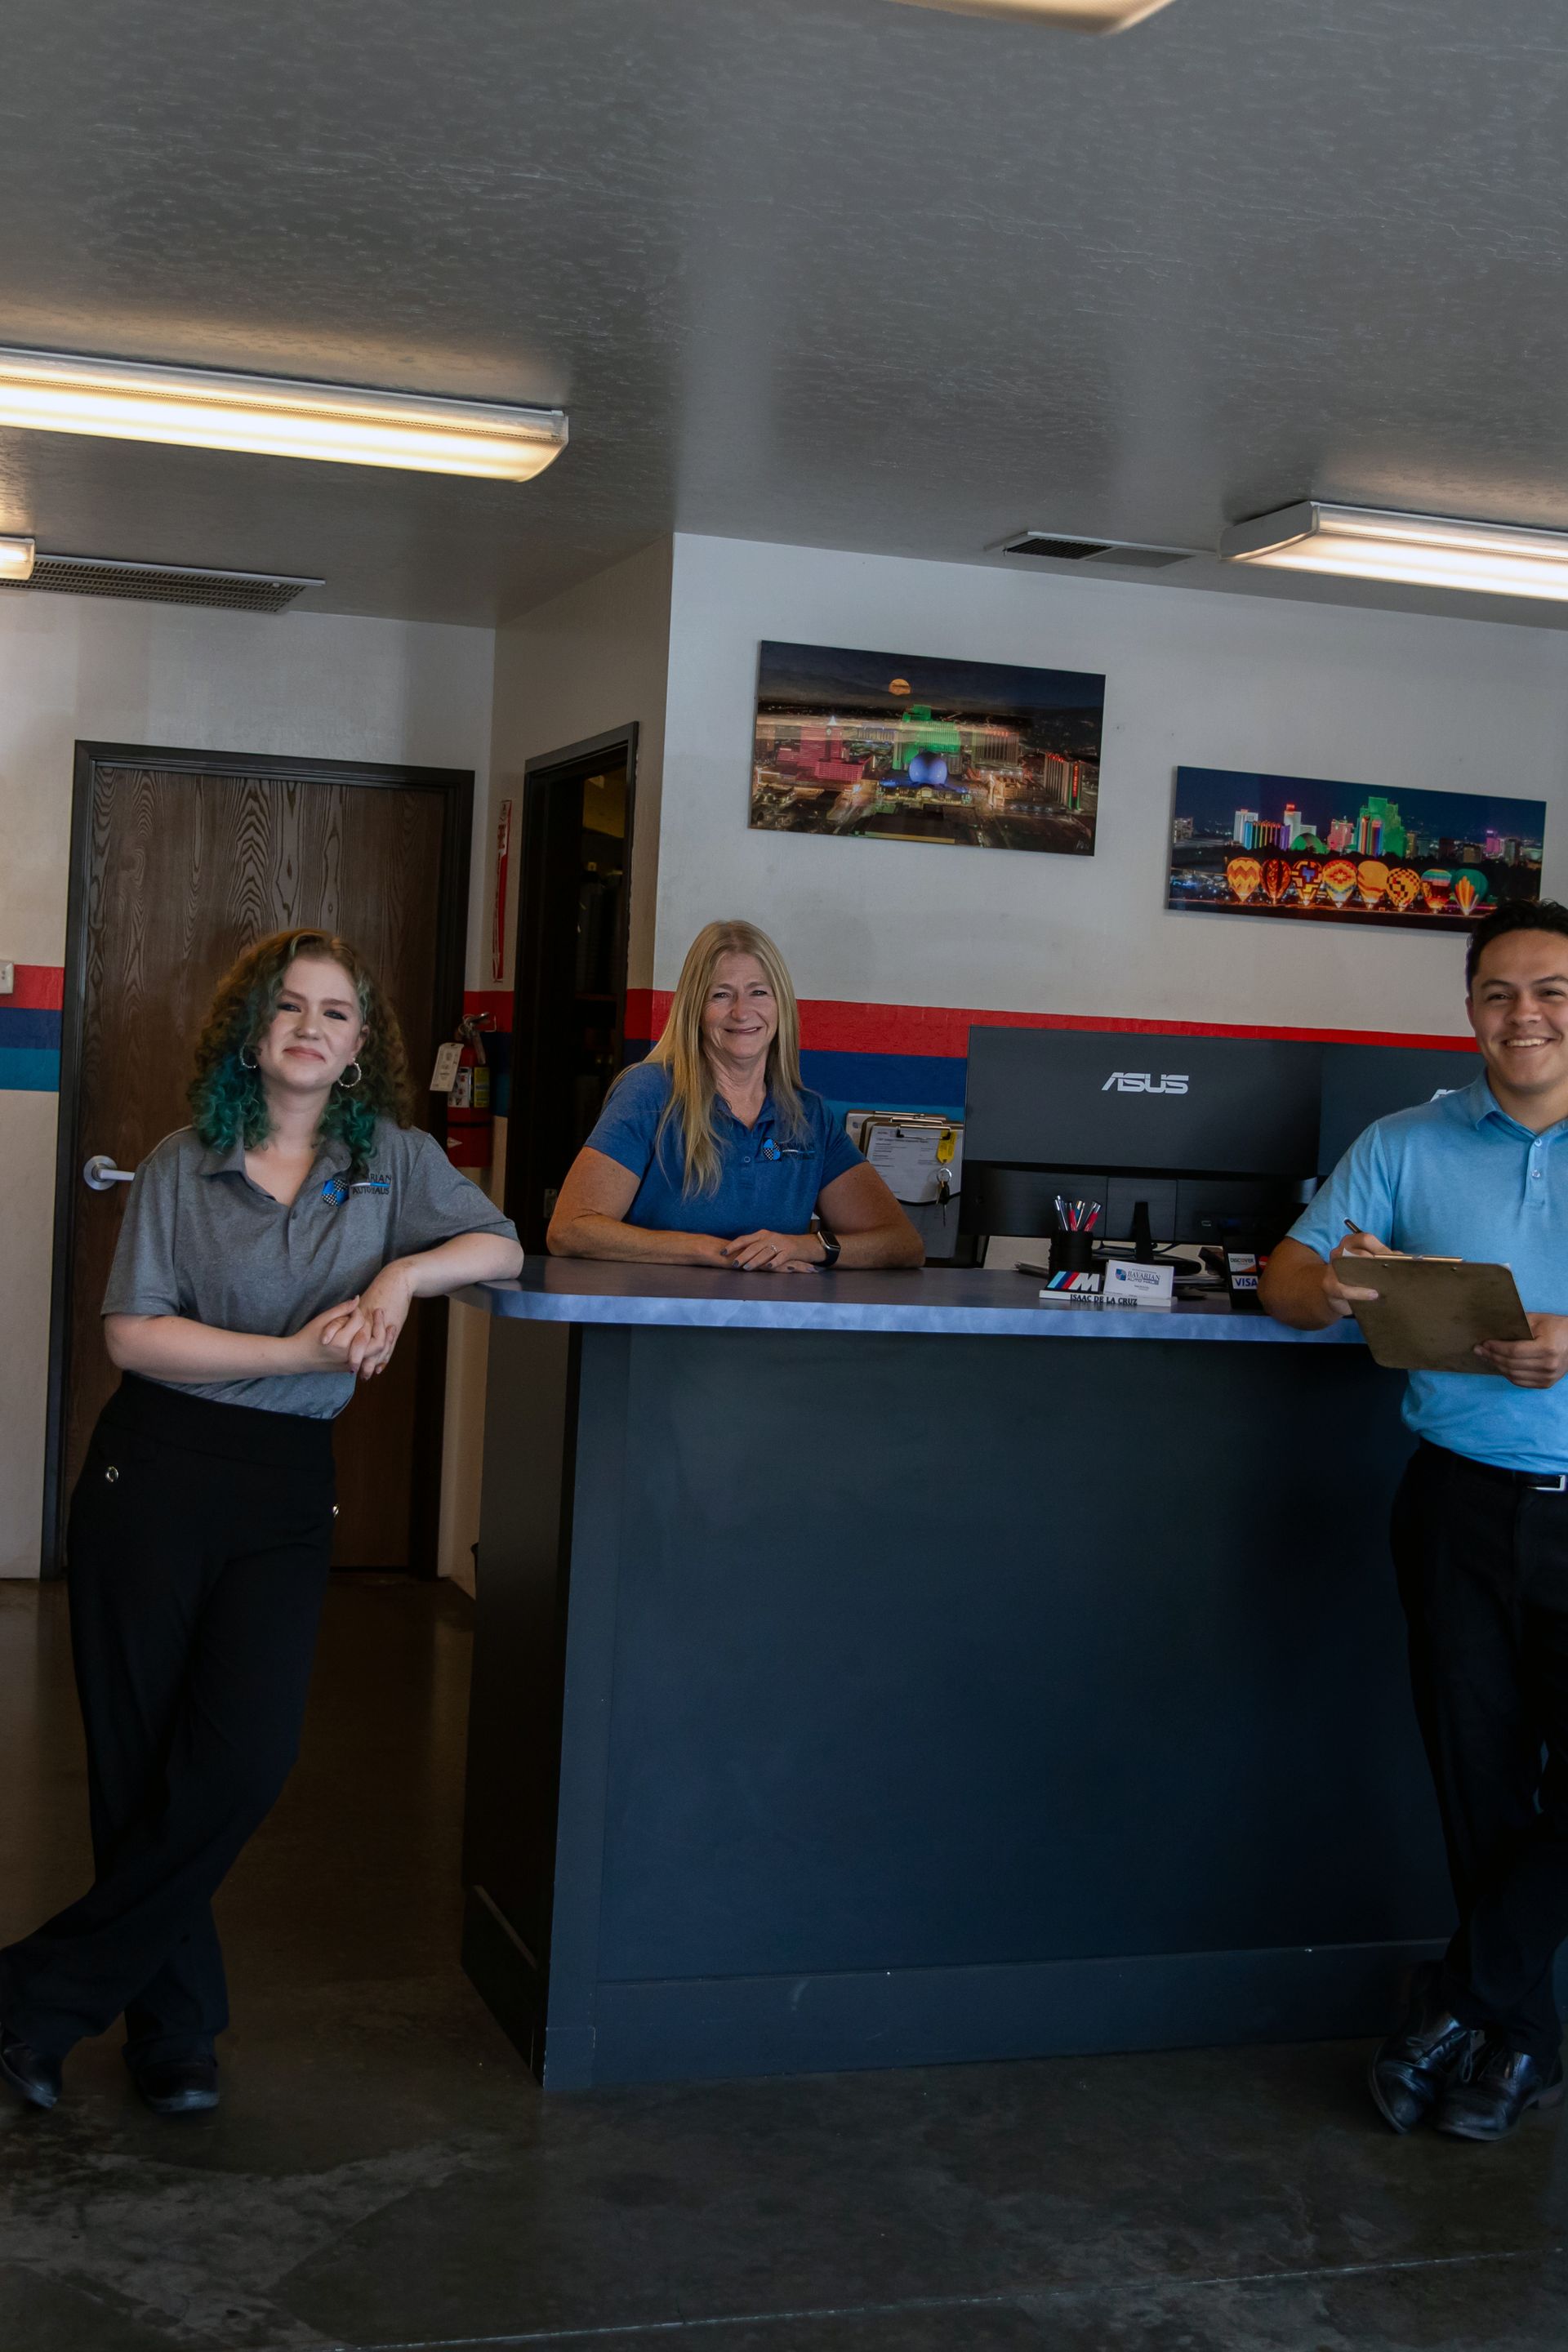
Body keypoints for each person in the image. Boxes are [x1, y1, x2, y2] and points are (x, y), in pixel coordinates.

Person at [0, 929, 522, 2118]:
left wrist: (400, 1279)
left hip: (286, 1485)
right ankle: (174, 2034)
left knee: (243, 1757)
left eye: (336, 1014)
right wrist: (295, 1349)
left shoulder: (389, 1158)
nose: (310, 1027)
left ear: (358, 1050)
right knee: (141, 1771)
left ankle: (33, 1995)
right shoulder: (187, 1161)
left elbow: (501, 1241)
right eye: (289, 1007)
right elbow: (132, 1333)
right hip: (155, 1471)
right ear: (254, 1031)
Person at [1261, 899, 1568, 2143]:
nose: (1525, 1015)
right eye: (1499, 993)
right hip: (1456, 1504)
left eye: (1551, 991)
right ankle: (1521, 2045)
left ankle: (1460, 2002)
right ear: (1469, 1010)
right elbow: (1284, 1282)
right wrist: (1324, 1283)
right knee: (1477, 1781)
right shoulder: (1407, 1141)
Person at [548, 920, 923, 1272]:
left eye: (758, 992)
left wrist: (800, 1246)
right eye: (721, 994)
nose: (742, 1012)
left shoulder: (808, 1117)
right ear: (695, 1009)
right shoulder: (650, 1092)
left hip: (769, 1328)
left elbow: (902, 1244)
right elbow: (570, 1229)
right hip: (657, 1325)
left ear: (780, 1007)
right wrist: (711, 1250)